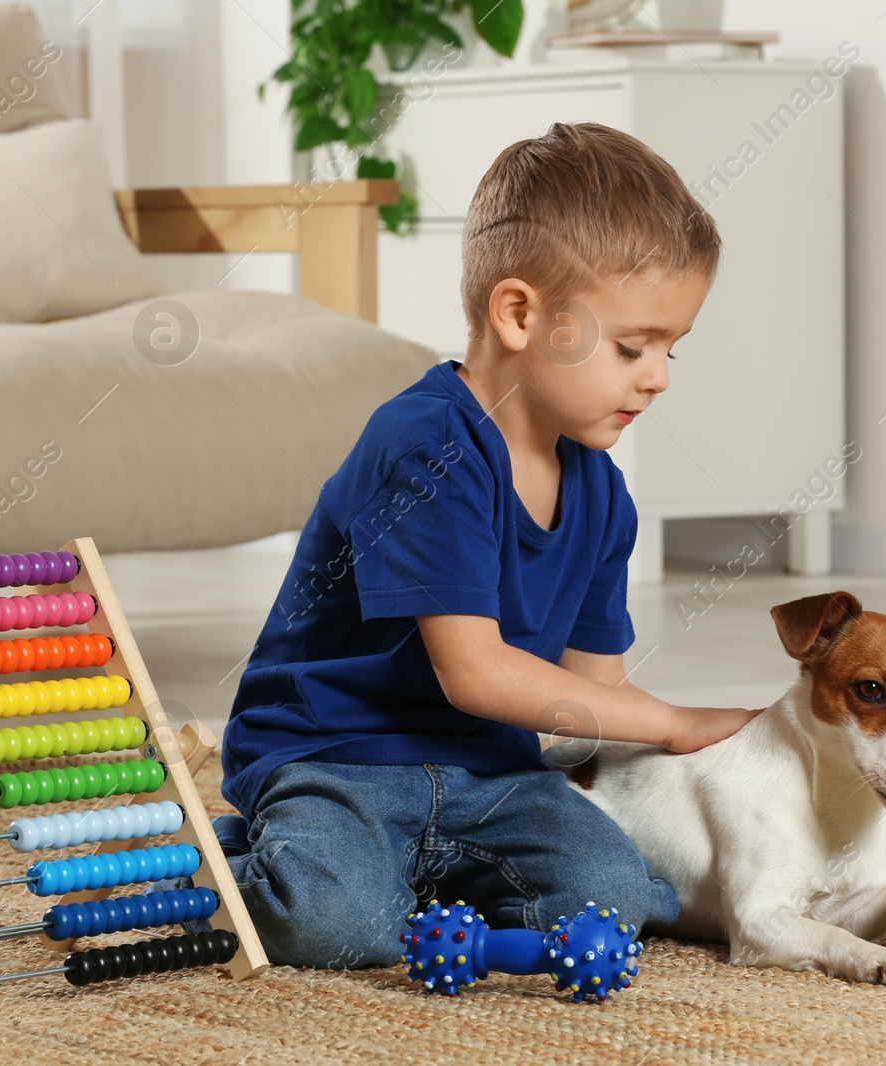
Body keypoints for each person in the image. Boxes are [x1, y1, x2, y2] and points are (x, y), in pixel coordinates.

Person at [193, 122, 762, 970]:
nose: (659, 377)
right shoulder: (426, 444)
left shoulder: (605, 496)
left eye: (671, 349)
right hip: (339, 753)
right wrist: (680, 724)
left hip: (489, 775)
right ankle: (242, 852)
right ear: (520, 314)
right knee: (333, 925)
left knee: (614, 892)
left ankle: (400, 878)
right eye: (633, 346)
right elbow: (478, 671)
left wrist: (731, 758)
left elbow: (589, 696)